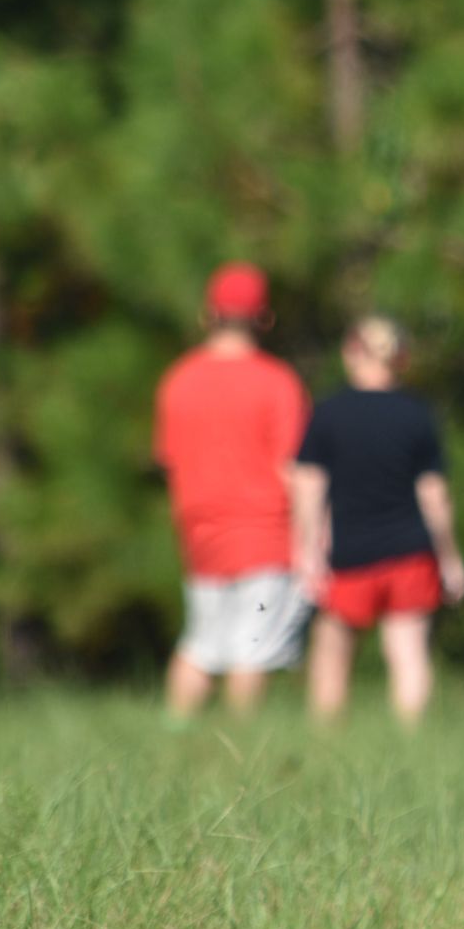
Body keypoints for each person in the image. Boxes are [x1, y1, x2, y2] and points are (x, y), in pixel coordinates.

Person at [291, 316, 464, 728]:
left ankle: (324, 742)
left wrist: (307, 551)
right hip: (410, 552)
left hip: (350, 554)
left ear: (351, 353)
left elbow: (308, 487)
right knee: (409, 654)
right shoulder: (417, 415)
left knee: (332, 652)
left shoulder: (329, 413)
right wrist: (450, 557)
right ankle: (411, 743)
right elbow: (434, 496)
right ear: (401, 358)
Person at [153, 262, 312, 720]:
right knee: (252, 649)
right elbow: (293, 469)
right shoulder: (276, 381)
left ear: (210, 314)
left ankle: (173, 735)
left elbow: (168, 464)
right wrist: (314, 535)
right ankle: (237, 756)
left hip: (200, 534)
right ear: (264, 317)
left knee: (201, 644)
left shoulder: (178, 380)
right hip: (265, 535)